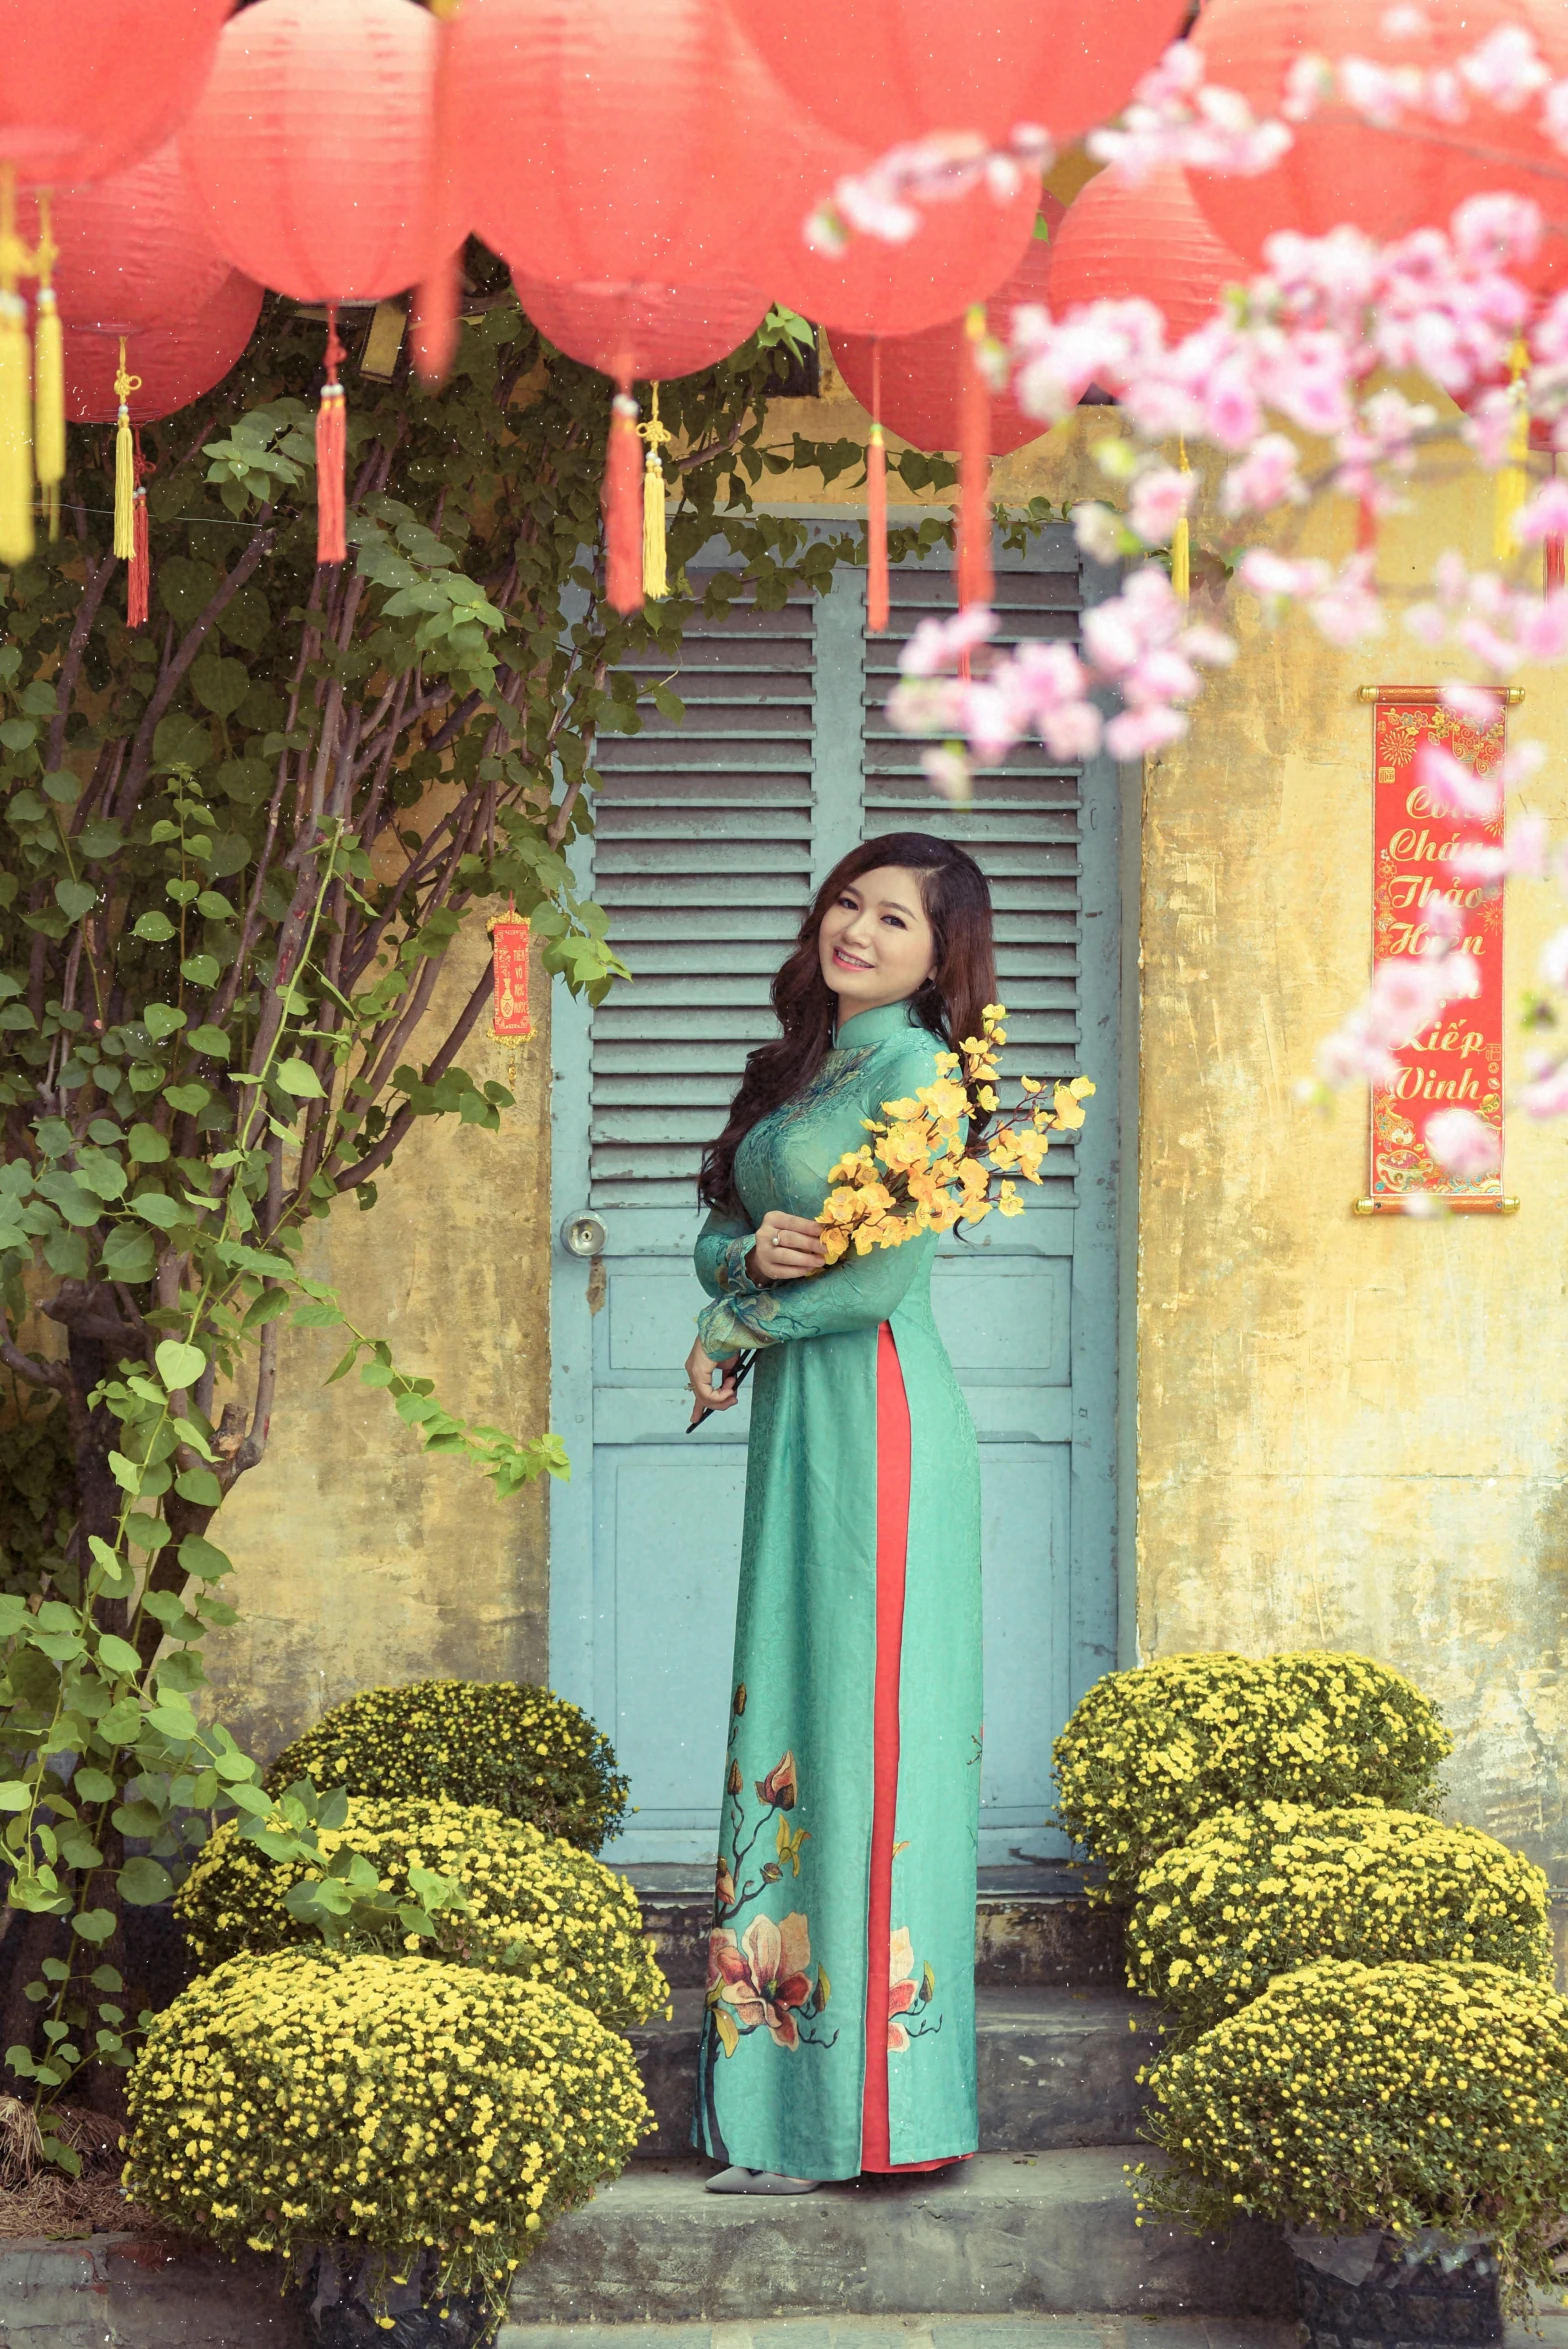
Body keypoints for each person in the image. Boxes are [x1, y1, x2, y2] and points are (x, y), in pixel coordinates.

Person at [685, 830, 992, 2193]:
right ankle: (783, 2097)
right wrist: (738, 1260)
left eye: (896, 921)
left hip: (874, 1412)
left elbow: (877, 1288)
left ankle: (870, 2111)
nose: (858, 930)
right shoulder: (807, 1063)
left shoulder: (923, 1070)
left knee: (862, 1739)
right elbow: (718, 1218)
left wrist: (735, 1322)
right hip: (803, 1418)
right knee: (798, 1721)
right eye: (848, 904)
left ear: (941, 959)